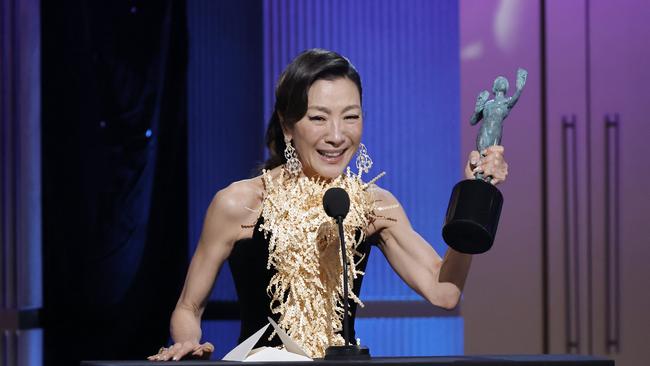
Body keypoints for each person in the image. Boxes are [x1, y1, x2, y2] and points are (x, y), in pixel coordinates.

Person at [148, 48, 509, 361]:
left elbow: (443, 291)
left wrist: (475, 195)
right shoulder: (238, 204)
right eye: (318, 118)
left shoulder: (374, 206)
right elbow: (187, 308)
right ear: (288, 126)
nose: (337, 135)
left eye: (350, 116)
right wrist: (188, 341)